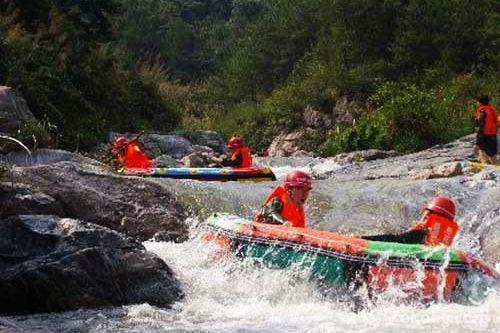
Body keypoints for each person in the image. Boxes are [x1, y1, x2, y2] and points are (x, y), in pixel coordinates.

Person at [362, 196, 459, 247]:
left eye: (425, 214)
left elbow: (395, 239)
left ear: (429, 215)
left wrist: (363, 239)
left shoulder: (419, 234)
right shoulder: (442, 245)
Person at [475, 95, 498, 165]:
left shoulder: (482, 110)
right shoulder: (492, 109)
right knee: (493, 151)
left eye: (477, 101)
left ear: (480, 102)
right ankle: (495, 164)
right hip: (493, 133)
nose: (476, 103)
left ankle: (485, 164)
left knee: (481, 149)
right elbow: (496, 121)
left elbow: (481, 124)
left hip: (484, 133)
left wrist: (478, 136)